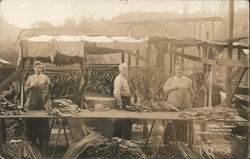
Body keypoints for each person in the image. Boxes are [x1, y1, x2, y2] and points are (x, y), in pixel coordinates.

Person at [163, 64, 194, 144]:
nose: (179, 71)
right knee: (172, 123)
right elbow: (164, 89)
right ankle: (171, 142)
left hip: (184, 106)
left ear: (183, 70)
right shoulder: (170, 80)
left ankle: (182, 143)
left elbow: (193, 92)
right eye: (177, 69)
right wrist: (172, 88)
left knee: (183, 125)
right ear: (174, 70)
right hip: (172, 106)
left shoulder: (188, 80)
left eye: (180, 69)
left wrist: (190, 102)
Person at [24, 61, 50, 151]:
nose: (39, 69)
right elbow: (25, 90)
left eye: (40, 67)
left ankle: (41, 142)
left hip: (41, 102)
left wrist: (46, 97)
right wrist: (31, 86)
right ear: (34, 68)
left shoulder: (45, 77)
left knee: (42, 122)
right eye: (37, 67)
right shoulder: (30, 78)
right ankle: (33, 141)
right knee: (32, 121)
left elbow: (49, 88)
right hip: (32, 102)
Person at [113, 63, 132, 140]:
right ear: (120, 69)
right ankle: (117, 139)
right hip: (122, 100)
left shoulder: (125, 78)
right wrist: (119, 103)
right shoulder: (118, 79)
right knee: (119, 121)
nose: (126, 70)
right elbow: (116, 92)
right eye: (124, 68)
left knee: (128, 120)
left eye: (127, 68)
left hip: (127, 100)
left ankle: (127, 140)